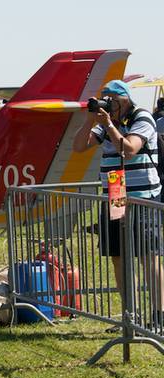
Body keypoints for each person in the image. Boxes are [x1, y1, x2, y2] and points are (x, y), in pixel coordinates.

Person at [72, 79, 162, 315]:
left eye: (113, 101)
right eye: (106, 101)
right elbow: (79, 146)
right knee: (118, 256)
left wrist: (110, 126)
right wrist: (91, 119)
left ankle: (160, 314)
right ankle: (130, 314)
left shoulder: (141, 117)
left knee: (147, 255)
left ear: (124, 100)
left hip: (142, 197)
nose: (109, 105)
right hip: (116, 195)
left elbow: (129, 150)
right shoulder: (105, 123)